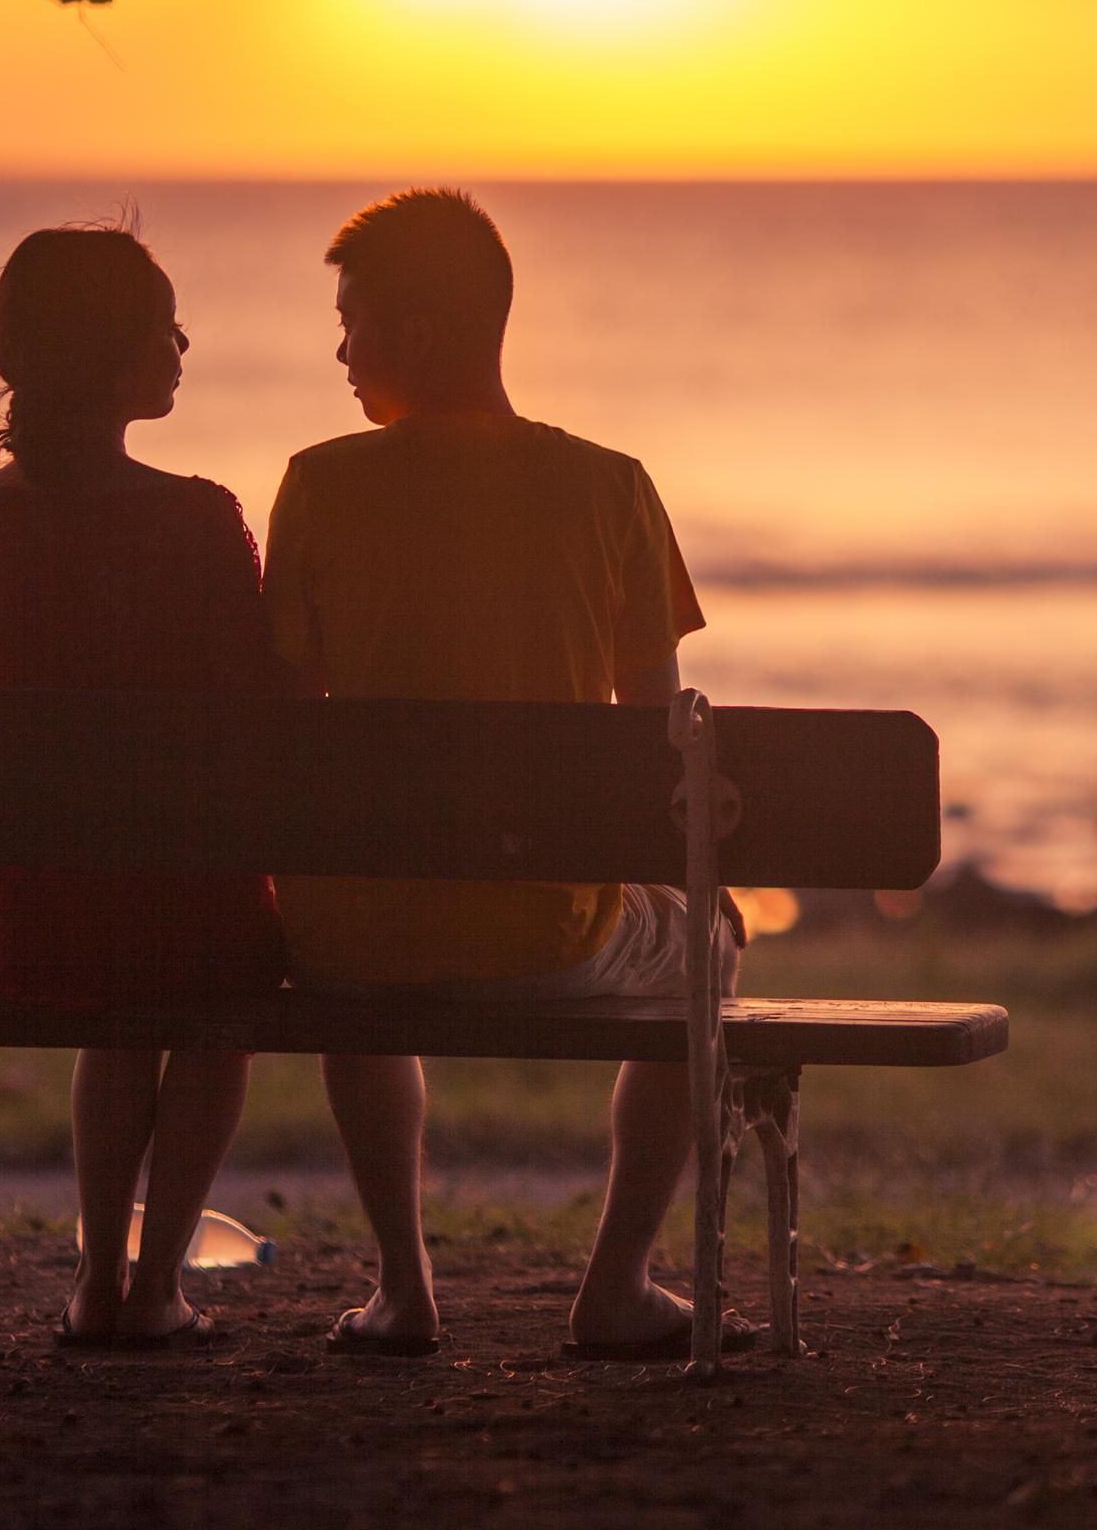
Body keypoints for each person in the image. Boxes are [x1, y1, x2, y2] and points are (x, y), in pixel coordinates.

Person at [264, 189, 743, 1362]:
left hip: (352, 941)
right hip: (549, 938)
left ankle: (404, 1292)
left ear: (419, 335)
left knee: (364, 943)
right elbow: (656, 746)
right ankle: (619, 1284)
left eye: (353, 319)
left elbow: (278, 733)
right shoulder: (612, 487)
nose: (338, 347)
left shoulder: (319, 486)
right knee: (713, 944)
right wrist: (698, 888)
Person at [0, 225, 287, 1348]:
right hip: (178, 914)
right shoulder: (197, 520)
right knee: (216, 1006)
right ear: (108, 356)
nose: (180, 349)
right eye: (161, 330)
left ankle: (92, 1285)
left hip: (19, 923)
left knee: (112, 963)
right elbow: (256, 727)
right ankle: (155, 1284)